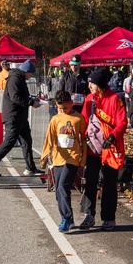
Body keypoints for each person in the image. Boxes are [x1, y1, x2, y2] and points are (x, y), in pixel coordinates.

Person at [79, 67, 127, 230]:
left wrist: (113, 136)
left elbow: (122, 122)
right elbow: (85, 119)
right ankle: (88, 214)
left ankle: (108, 217)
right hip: (93, 147)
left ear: (99, 84)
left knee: (109, 182)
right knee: (91, 180)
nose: (89, 86)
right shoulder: (89, 99)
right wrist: (84, 134)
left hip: (110, 147)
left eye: (92, 83)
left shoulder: (114, 99)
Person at [40, 90, 88, 232]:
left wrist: (83, 160)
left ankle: (66, 218)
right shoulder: (55, 119)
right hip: (58, 158)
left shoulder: (79, 119)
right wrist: (45, 154)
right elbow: (49, 138)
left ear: (71, 103)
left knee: (62, 186)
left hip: (72, 158)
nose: (62, 111)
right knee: (59, 191)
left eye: (65, 108)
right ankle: (70, 219)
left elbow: (83, 140)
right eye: (59, 108)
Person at [0, 60, 42, 177]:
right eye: (31, 74)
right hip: (13, 116)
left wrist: (31, 99)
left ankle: (30, 168)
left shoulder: (18, 78)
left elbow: (20, 96)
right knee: (9, 142)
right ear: (27, 72)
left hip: (20, 116)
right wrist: (31, 102)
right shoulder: (15, 79)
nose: (31, 76)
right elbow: (15, 97)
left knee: (27, 141)